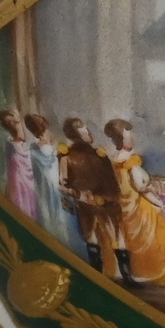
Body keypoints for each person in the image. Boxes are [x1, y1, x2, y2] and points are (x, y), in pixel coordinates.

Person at [103, 120, 165, 285]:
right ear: (121, 139)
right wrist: (158, 202)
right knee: (156, 223)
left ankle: (136, 272)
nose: (132, 137)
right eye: (128, 135)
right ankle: (153, 271)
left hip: (125, 206)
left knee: (129, 239)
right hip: (138, 206)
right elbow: (141, 187)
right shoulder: (131, 161)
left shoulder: (113, 161)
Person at [57, 115, 123, 278]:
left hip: (106, 204)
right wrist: (80, 195)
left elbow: (112, 183)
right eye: (83, 130)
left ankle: (124, 277)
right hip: (84, 207)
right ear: (75, 135)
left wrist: (111, 199)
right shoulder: (66, 157)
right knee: (91, 239)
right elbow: (62, 185)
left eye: (86, 129)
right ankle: (97, 276)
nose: (88, 132)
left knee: (116, 239)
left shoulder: (100, 156)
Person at [22, 112, 76, 254]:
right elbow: (53, 174)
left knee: (48, 213)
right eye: (46, 128)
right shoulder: (47, 150)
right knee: (60, 216)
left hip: (43, 189)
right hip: (53, 187)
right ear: (43, 129)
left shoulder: (33, 148)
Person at [0, 110, 41, 224]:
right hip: (17, 177)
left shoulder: (27, 135)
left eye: (12, 120)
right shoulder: (10, 144)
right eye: (8, 122)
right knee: (20, 201)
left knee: (30, 202)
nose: (12, 123)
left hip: (27, 176)